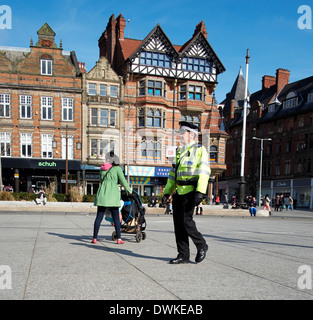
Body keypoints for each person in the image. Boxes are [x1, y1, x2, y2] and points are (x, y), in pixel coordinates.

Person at [163, 121, 210, 264]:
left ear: (191, 134)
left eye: (182, 133)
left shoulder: (200, 150)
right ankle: (183, 255)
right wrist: (167, 192)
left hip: (191, 191)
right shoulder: (179, 152)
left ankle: (201, 245)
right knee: (178, 224)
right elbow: (173, 174)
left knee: (186, 221)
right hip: (179, 192)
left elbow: (204, 172)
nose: (180, 136)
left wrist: (200, 192)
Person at [92, 152, 132, 245]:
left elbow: (101, 180)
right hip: (112, 194)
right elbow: (123, 182)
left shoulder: (102, 169)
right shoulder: (117, 169)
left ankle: (94, 238)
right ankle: (119, 238)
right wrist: (129, 191)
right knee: (116, 218)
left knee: (99, 217)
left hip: (102, 194)